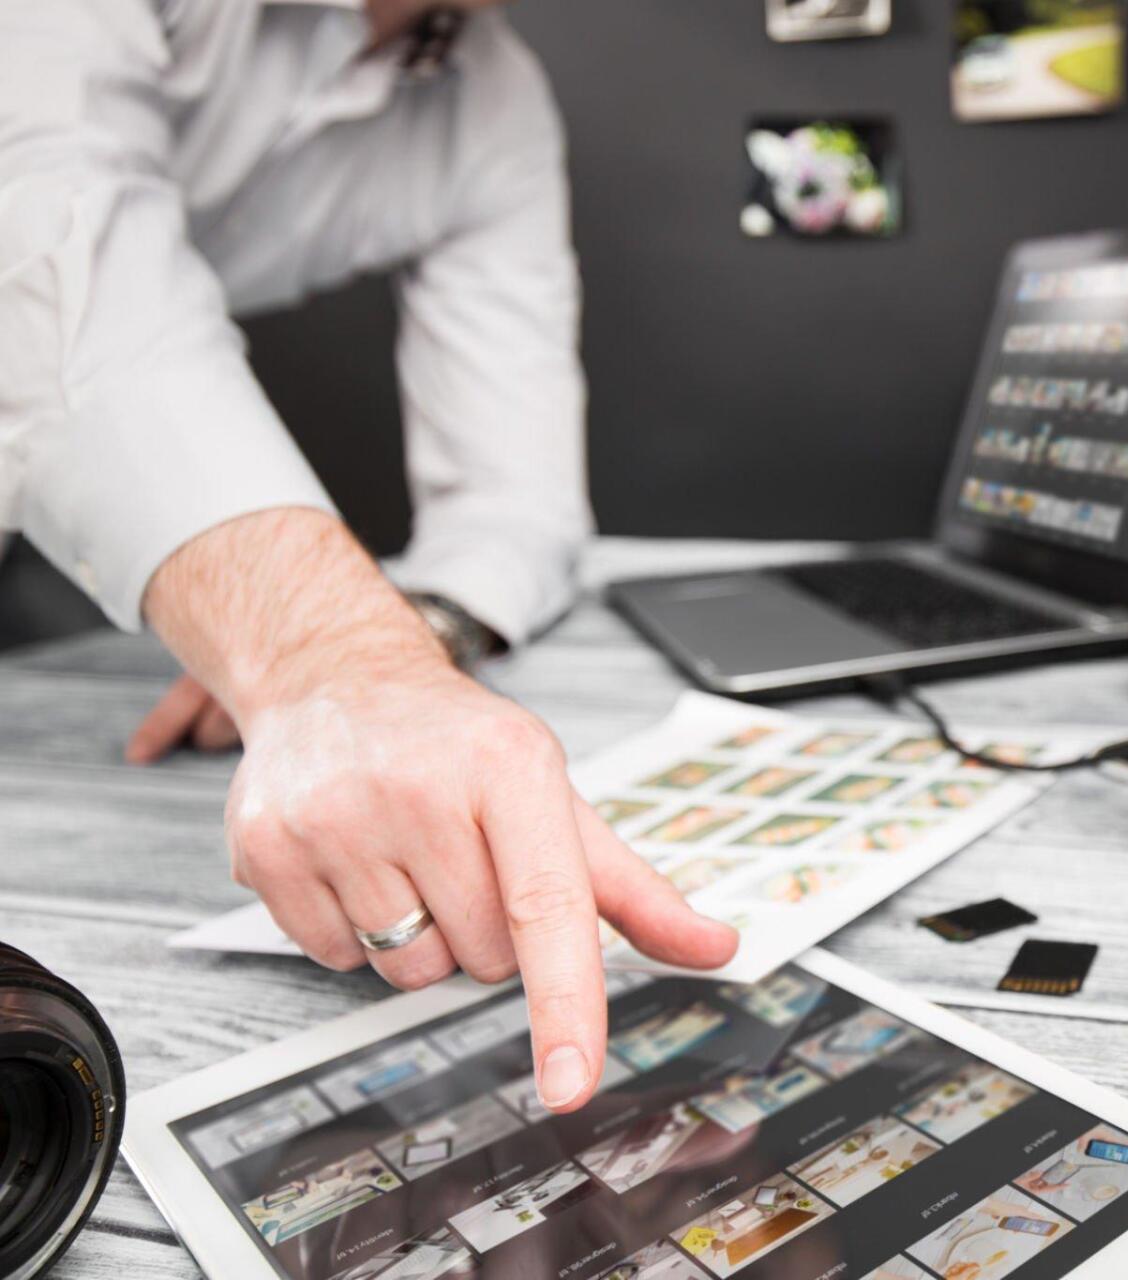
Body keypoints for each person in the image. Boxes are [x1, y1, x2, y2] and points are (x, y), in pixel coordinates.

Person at [0, 0, 737, 1114]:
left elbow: (514, 496)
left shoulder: (492, 95)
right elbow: (45, 242)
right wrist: (324, 655)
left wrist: (412, 640)